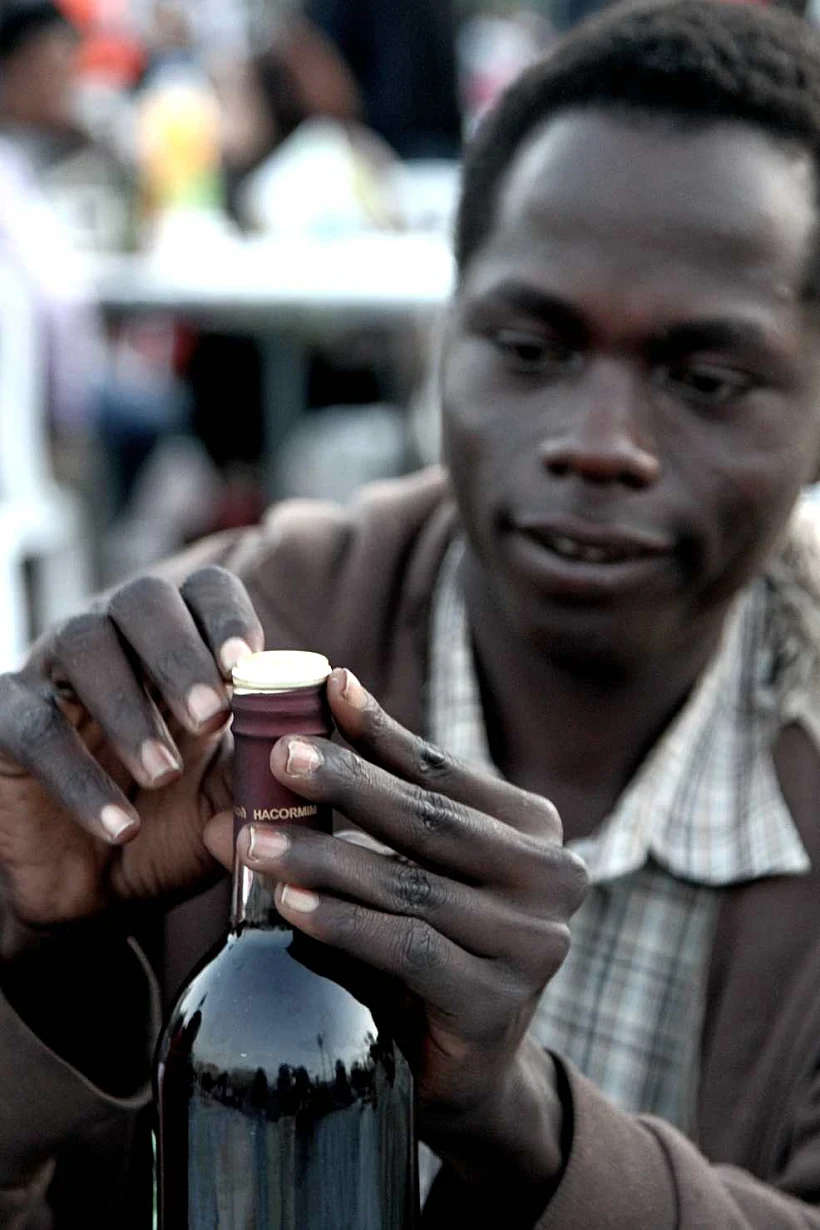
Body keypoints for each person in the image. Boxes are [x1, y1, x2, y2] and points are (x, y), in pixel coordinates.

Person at [5, 0, 820, 1225]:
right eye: (529, 346)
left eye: (704, 378)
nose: (599, 446)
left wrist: (528, 1127)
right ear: (448, 328)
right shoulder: (208, 676)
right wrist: (29, 959)